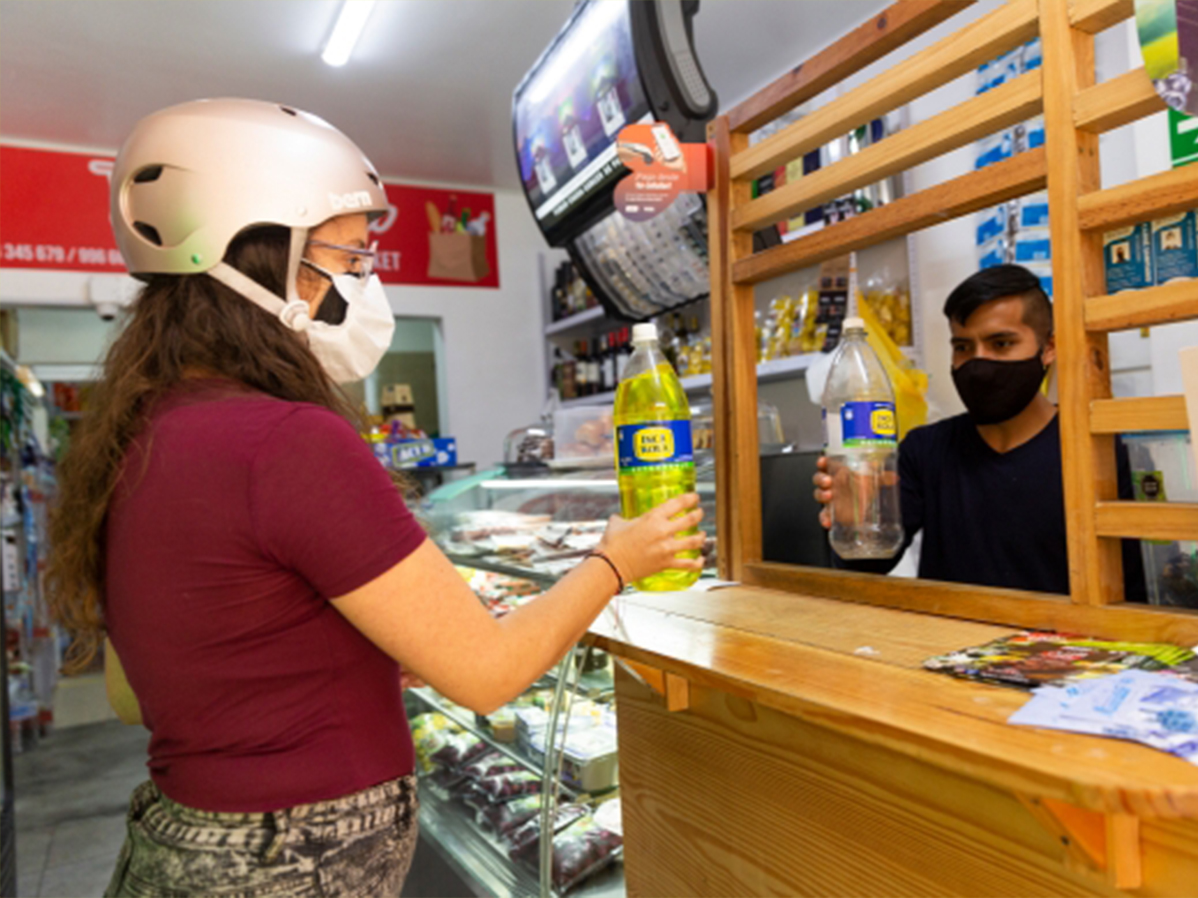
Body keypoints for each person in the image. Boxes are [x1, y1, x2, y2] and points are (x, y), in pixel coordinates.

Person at [46, 98, 704, 898]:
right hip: (294, 861)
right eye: (348, 260)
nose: (361, 287)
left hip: (183, 844)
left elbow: (133, 691)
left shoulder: (139, 433)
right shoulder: (287, 440)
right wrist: (616, 558)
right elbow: (490, 673)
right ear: (256, 256)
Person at [813, 263, 1142, 596]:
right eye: (963, 347)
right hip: (950, 645)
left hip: (1068, 645)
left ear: (1049, 348)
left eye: (1000, 344)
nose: (978, 364)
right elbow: (868, 568)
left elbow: (1137, 588)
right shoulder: (924, 450)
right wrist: (852, 519)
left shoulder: (1099, 451)